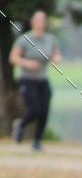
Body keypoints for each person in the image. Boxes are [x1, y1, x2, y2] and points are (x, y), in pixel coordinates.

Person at [9, 11, 61, 150]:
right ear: (32, 22)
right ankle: (21, 124)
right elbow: (13, 58)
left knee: (44, 110)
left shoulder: (50, 39)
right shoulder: (24, 39)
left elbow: (56, 54)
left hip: (42, 79)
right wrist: (27, 63)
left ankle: (37, 141)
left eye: (42, 20)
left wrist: (56, 59)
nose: (40, 22)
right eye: (37, 20)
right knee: (35, 109)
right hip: (27, 79)